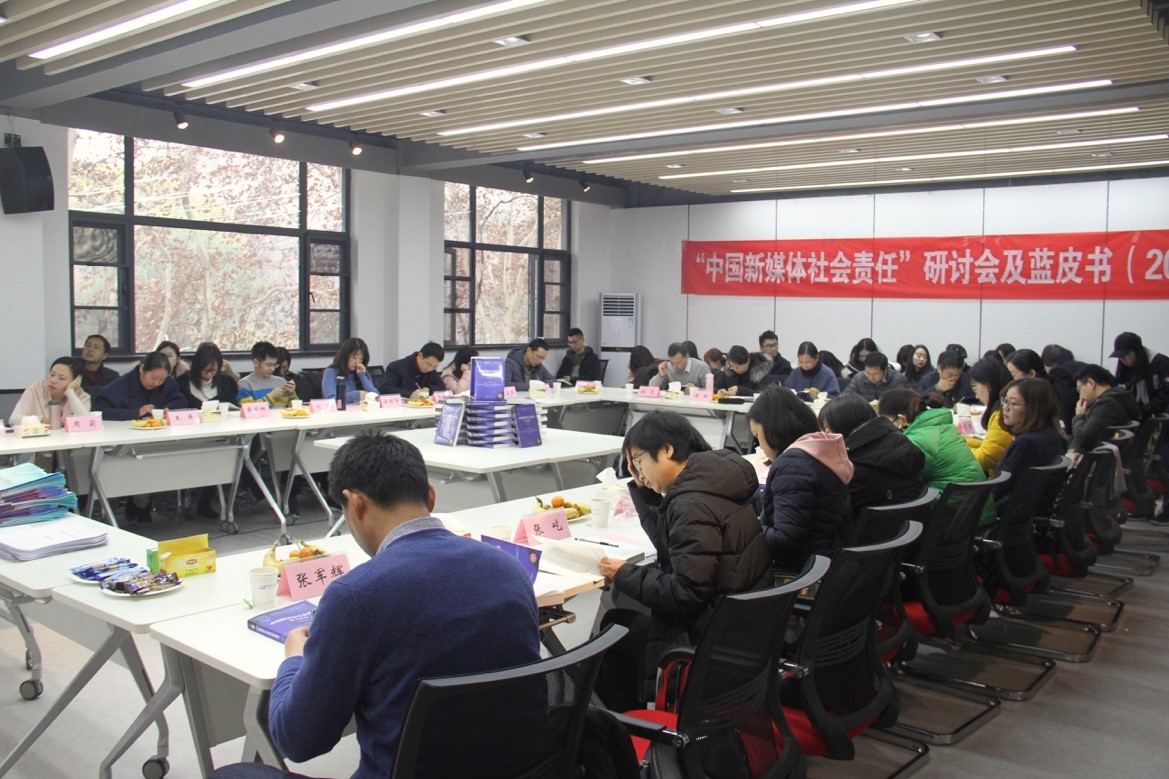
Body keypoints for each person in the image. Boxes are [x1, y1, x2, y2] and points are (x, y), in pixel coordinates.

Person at [213, 433, 541, 779]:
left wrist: (294, 658)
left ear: (355, 504)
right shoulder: (509, 569)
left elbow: (297, 741)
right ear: (430, 496)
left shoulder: (354, 596)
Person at [594, 411, 770, 711]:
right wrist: (643, 488)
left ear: (666, 450)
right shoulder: (714, 481)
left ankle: (632, 728)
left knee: (615, 630)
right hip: (738, 633)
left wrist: (624, 573)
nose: (638, 471)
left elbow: (685, 592)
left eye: (639, 461)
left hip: (703, 643)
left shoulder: (690, 504)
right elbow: (677, 546)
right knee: (622, 620)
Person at [748, 387, 853, 570]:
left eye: (757, 436)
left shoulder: (792, 465)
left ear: (773, 428)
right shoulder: (818, 452)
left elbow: (785, 540)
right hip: (827, 560)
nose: (760, 446)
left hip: (803, 572)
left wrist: (741, 528)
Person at [878, 389, 994, 525]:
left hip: (958, 519)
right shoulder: (938, 425)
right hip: (974, 508)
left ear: (902, 419)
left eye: (886, 423)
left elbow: (902, 479)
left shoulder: (918, 440)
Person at [819, 394, 924, 521]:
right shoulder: (897, 440)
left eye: (827, 431)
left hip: (878, 529)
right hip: (911, 525)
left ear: (842, 426)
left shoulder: (854, 466)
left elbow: (833, 513)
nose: (825, 437)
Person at [992, 378, 1067, 512]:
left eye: (1013, 403)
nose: (1005, 407)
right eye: (1005, 401)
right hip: (1027, 511)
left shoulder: (1026, 444)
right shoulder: (1051, 435)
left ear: (1034, 409)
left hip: (1008, 514)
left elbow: (999, 488)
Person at [94, 351, 188, 421]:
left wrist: (169, 408)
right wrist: (137, 412)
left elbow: (181, 401)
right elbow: (100, 412)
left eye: (162, 379)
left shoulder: (168, 384)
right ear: (142, 368)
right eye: (153, 378)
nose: (156, 383)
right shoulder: (120, 386)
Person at [1070, 364, 1140, 453]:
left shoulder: (1106, 405)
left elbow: (1084, 438)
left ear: (1091, 383)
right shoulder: (1119, 398)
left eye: (1080, 389)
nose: (1080, 396)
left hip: (1097, 458)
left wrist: (1079, 415)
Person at [965, 357, 1015, 476]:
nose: (977, 396)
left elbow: (985, 458)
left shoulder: (1002, 414)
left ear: (988, 385)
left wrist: (954, 450)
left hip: (996, 481)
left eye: (975, 387)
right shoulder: (1002, 408)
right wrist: (961, 441)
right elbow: (992, 446)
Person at [9, 357, 91, 425]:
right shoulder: (35, 389)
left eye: (61, 378)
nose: (53, 380)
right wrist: (44, 420)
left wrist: (70, 392)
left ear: (75, 382)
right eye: (52, 374)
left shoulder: (81, 397)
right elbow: (13, 419)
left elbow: (86, 422)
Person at [1111, 331, 1169, 419]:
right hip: (1138, 414)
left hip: (1160, 415)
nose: (1123, 360)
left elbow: (1167, 393)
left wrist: (1146, 410)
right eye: (1120, 357)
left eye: (1125, 355)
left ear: (1137, 351)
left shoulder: (1161, 363)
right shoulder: (1124, 367)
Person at [177, 342, 238, 408]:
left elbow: (234, 407)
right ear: (197, 366)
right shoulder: (181, 384)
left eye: (212, 370)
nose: (208, 374)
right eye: (205, 370)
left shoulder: (228, 384)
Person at [238, 341, 298, 407]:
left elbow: (296, 409)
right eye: (268, 365)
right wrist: (271, 396)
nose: (273, 369)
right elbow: (248, 409)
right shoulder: (245, 384)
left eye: (275, 365)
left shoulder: (282, 381)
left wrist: (292, 394)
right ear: (256, 362)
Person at [1042, 344, 1084, 432]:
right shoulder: (1083, 366)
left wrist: (1069, 430)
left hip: (1079, 422)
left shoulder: (1059, 372)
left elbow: (1067, 401)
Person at [381, 342, 447, 398]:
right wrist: (410, 394)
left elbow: (442, 387)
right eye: (428, 364)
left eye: (435, 366)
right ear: (420, 356)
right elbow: (386, 388)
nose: (430, 369)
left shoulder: (432, 370)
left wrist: (428, 389)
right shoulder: (397, 366)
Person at [323, 338, 376, 405]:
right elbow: (330, 401)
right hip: (340, 411)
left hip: (361, 411)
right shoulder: (330, 373)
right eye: (354, 357)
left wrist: (362, 376)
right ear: (345, 356)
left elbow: (376, 398)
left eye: (361, 359)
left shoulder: (362, 373)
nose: (357, 362)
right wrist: (352, 396)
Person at [841, 352, 908, 401]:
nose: (871, 377)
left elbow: (902, 402)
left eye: (875, 374)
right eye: (868, 373)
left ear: (885, 370)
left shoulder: (898, 379)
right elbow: (845, 397)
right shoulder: (859, 377)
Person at [79, 333, 119, 399]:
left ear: (105, 355)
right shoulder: (72, 373)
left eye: (96, 347)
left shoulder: (112, 376)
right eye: (88, 346)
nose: (90, 350)